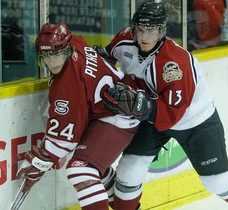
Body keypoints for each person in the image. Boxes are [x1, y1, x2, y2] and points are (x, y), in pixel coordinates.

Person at [94, 2, 228, 210]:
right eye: (140, 29)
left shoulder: (174, 64)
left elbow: (171, 114)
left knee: (216, 181)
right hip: (151, 115)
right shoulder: (124, 40)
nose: (144, 36)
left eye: (151, 30)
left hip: (195, 121)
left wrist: (137, 104)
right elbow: (105, 60)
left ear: (162, 31)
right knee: (128, 171)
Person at [16, 23, 150, 210]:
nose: (53, 62)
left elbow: (64, 139)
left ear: (67, 49)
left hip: (118, 116)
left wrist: (39, 162)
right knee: (95, 170)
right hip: (112, 108)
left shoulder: (68, 84)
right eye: (46, 56)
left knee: (81, 169)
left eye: (57, 55)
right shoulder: (75, 43)